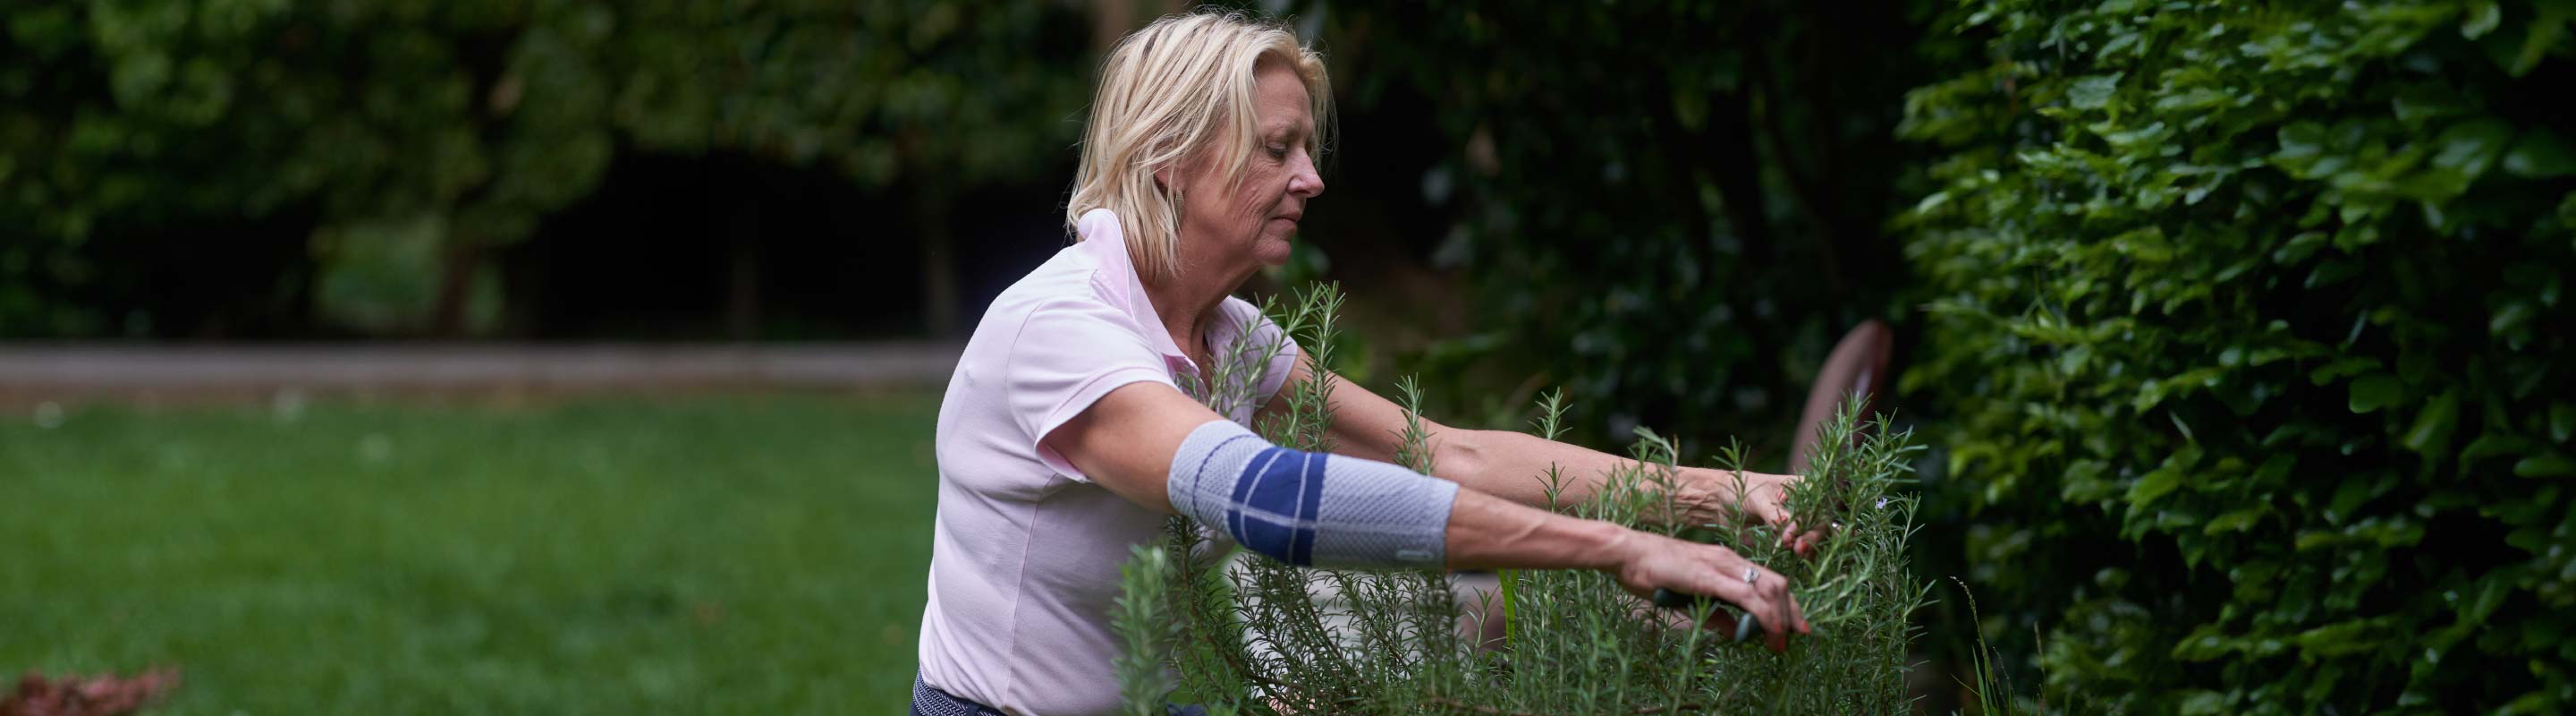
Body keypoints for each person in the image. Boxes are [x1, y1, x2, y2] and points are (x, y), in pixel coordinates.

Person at [913, 10, 1818, 715]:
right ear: (1169, 160)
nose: (1310, 177)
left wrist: (1721, 494)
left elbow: (1446, 452)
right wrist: (1625, 549)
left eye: (1305, 147)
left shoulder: (1228, 335)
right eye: (1277, 149)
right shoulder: (1058, 328)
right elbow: (1267, 498)